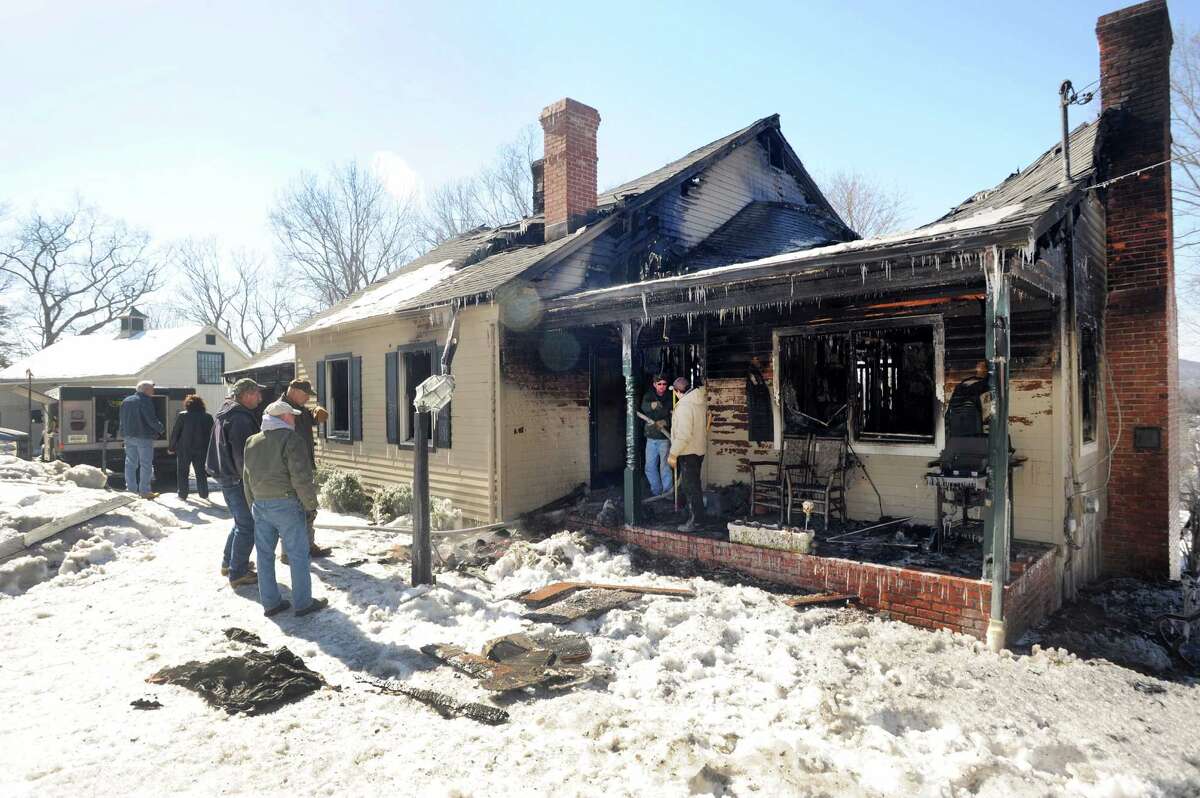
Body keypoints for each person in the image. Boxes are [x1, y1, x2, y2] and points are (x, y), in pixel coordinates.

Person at [243, 399, 327, 618]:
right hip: (287, 504)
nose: (294, 418)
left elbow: (246, 477)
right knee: (298, 554)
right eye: (291, 415)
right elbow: (300, 476)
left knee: (264, 556)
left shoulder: (252, 441)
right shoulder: (291, 439)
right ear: (282, 418)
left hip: (260, 504)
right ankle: (303, 603)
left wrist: (252, 503)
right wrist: (310, 505)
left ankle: (270, 603)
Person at [207, 378, 263, 587]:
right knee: (248, 524)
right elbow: (243, 454)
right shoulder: (239, 419)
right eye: (257, 393)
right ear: (246, 394)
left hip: (227, 475)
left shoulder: (228, 413)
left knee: (241, 522)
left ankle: (228, 563)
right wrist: (250, 480)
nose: (260, 398)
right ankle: (238, 573)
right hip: (236, 478)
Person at [281, 379, 331, 562]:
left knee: (308, 508)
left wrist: (315, 412)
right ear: (293, 391)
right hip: (289, 469)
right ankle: (288, 552)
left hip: (304, 465)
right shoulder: (280, 409)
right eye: (305, 395)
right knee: (291, 511)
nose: (308, 398)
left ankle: (309, 545)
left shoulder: (299, 408)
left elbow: (308, 419)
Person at [667, 376, 708, 533]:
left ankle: (696, 522)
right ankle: (695, 517)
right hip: (698, 450)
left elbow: (684, 435)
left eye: (675, 393)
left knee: (690, 488)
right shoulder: (698, 401)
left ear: (678, 391)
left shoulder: (684, 406)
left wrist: (673, 454)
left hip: (687, 452)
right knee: (694, 486)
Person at [119, 380, 164, 499]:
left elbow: (122, 420)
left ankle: (131, 490)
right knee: (146, 464)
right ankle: (144, 491)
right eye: (152, 389)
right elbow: (151, 419)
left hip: (128, 436)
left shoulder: (126, 400)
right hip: (143, 436)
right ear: (145, 390)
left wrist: (123, 434)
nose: (153, 391)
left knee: (130, 463)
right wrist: (161, 429)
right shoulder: (145, 400)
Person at [168, 394, 214, 501]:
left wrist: (171, 447)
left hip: (184, 449)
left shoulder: (183, 415)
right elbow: (212, 435)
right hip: (202, 449)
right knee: (201, 472)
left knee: (183, 472)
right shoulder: (208, 417)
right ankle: (204, 494)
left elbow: (176, 433)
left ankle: (182, 494)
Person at [640, 374, 673, 497]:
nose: (662, 387)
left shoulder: (671, 397)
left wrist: (665, 422)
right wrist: (652, 405)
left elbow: (676, 415)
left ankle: (667, 493)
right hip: (651, 437)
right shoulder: (649, 395)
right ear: (654, 384)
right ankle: (656, 491)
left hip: (664, 438)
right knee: (649, 467)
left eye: (664, 384)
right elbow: (643, 407)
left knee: (665, 467)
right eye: (659, 384)